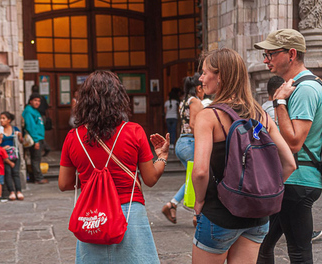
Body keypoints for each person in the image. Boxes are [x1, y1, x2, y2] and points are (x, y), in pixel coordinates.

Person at [191, 48, 296, 263]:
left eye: (204, 72)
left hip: (220, 214)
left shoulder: (208, 117)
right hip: (257, 217)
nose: (201, 79)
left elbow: (200, 171)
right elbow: (290, 164)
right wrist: (262, 190)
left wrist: (199, 201)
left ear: (220, 76)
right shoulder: (262, 116)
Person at [59, 70, 167, 263]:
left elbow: (64, 183)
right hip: (129, 213)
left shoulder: (72, 137)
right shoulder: (134, 131)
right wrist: (162, 158)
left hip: (92, 215)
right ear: (119, 99)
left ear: (84, 101)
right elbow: (150, 179)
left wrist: (90, 177)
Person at [254, 29, 322, 263]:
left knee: (299, 252)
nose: (266, 60)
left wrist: (278, 101)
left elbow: (294, 142)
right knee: (262, 245)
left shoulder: (305, 89)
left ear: (291, 54)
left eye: (271, 54)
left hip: (297, 181)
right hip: (290, 179)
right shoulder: (296, 85)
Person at [161, 73, 204, 225]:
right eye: (203, 87)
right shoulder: (196, 102)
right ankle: (196, 214)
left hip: (181, 142)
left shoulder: (184, 101)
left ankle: (172, 204)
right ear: (198, 88)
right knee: (199, 177)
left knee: (192, 178)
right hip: (191, 143)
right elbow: (192, 124)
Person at [0, 111, 24, 201]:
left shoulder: (15, 129)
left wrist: (20, 136)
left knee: (16, 172)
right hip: (4, 155)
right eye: (1, 118)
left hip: (14, 154)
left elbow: (21, 141)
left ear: (9, 120)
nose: (1, 120)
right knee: (7, 172)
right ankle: (11, 192)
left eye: (3, 118)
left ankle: (19, 191)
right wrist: (2, 145)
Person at [22, 93, 48, 184]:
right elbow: (30, 127)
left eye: (39, 101)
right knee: (35, 159)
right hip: (35, 139)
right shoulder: (29, 111)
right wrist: (36, 141)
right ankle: (38, 178)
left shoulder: (35, 110)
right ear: (30, 101)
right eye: (35, 100)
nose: (37, 103)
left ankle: (34, 176)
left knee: (39, 156)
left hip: (39, 137)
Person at [30, 84, 50, 156]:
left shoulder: (35, 99)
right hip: (42, 116)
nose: (37, 102)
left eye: (38, 101)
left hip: (39, 116)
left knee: (39, 131)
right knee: (39, 132)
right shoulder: (42, 98)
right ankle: (45, 146)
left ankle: (44, 146)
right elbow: (47, 108)